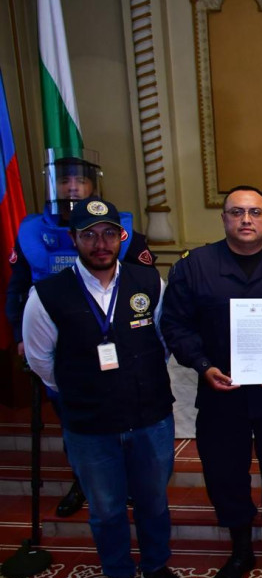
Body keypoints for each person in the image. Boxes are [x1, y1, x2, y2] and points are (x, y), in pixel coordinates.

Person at [22, 198, 184, 578]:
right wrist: (83, 390)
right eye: (89, 235)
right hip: (90, 424)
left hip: (150, 416)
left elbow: (163, 341)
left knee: (153, 499)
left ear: (121, 237)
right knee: (106, 505)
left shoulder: (148, 282)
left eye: (109, 233)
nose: (100, 243)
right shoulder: (47, 295)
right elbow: (41, 361)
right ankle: (118, 573)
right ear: (74, 239)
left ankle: (155, 566)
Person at [161, 186, 262, 578]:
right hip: (221, 391)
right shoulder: (195, 265)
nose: (246, 219)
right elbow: (176, 326)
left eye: (255, 212)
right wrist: (202, 365)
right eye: (237, 212)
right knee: (224, 472)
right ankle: (241, 549)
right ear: (224, 219)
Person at [6, 149, 155, 519]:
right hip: (61, 344)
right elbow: (18, 289)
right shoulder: (31, 231)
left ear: (93, 184)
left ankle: (131, 484)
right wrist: (20, 336)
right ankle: (83, 480)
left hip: (126, 353)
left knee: (131, 426)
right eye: (64, 181)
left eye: (80, 180)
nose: (72, 187)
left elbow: (147, 296)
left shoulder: (128, 235)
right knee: (78, 427)